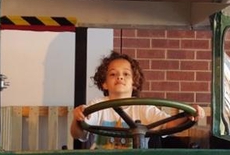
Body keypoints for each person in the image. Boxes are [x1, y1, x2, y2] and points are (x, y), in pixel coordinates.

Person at [70, 51, 204, 149]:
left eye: (126, 74)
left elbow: (169, 125)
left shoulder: (143, 108)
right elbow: (78, 134)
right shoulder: (98, 106)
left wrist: (188, 114)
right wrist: (78, 119)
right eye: (113, 74)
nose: (120, 77)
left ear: (134, 82)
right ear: (104, 83)